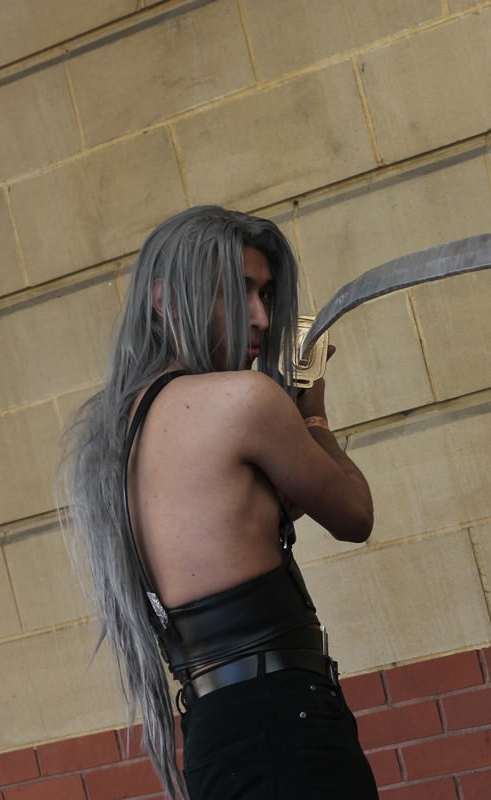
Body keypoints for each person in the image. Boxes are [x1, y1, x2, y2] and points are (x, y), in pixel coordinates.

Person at [64, 206, 378, 799]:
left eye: (266, 294)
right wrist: (312, 408)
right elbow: (354, 515)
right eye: (237, 292)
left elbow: (252, 521)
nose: (260, 316)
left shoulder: (119, 433)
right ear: (164, 299)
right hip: (285, 724)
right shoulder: (243, 399)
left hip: (216, 733)